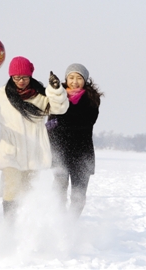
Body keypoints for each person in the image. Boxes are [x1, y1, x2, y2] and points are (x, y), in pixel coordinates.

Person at [0, 56, 69, 220]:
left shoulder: (41, 96)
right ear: (11, 76)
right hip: (11, 151)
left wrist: (56, 90)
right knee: (12, 187)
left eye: (25, 77)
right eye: (16, 77)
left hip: (34, 152)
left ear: (30, 76)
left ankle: (24, 226)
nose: (21, 81)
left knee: (27, 192)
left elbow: (60, 108)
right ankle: (9, 225)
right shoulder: (1, 95)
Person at [46, 63, 103, 220]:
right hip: (60, 153)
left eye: (79, 78)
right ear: (66, 79)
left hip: (82, 154)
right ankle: (59, 221)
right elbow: (49, 122)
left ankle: (71, 223)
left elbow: (86, 121)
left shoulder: (92, 99)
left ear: (85, 80)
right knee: (58, 191)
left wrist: (59, 122)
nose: (74, 81)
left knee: (78, 195)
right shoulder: (57, 97)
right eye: (71, 77)